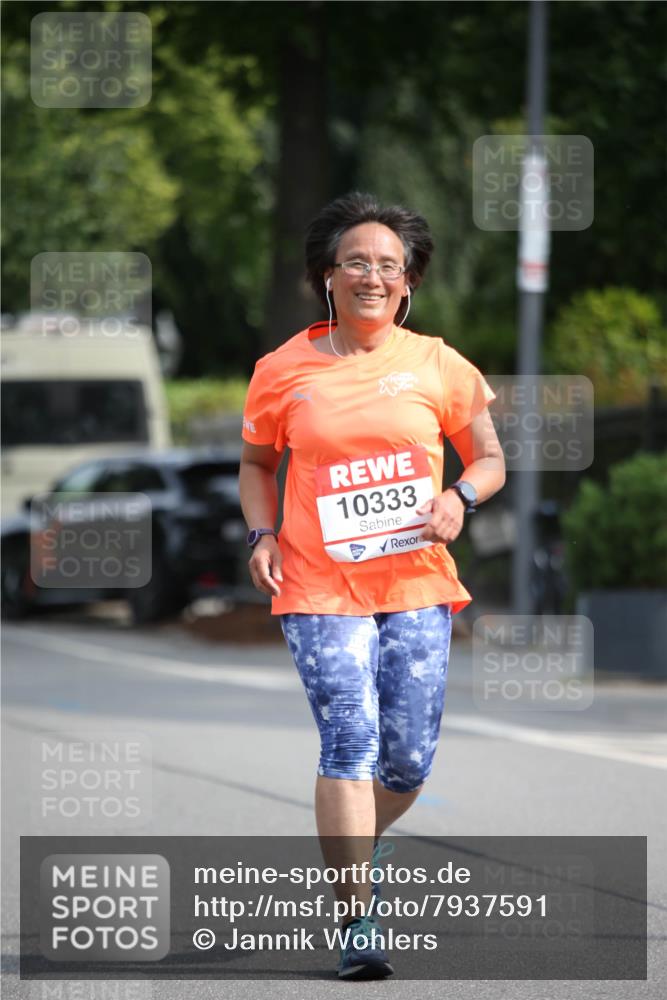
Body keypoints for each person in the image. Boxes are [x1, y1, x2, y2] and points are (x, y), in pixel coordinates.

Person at [239, 191, 505, 979]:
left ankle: (355, 845)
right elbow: (255, 465)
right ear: (327, 274)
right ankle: (356, 916)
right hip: (318, 584)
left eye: (389, 265)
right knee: (348, 739)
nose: (372, 276)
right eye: (355, 261)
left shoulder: (438, 365)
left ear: (408, 281)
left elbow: (489, 459)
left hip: (416, 582)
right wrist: (260, 533)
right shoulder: (281, 370)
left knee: (406, 761)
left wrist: (459, 497)